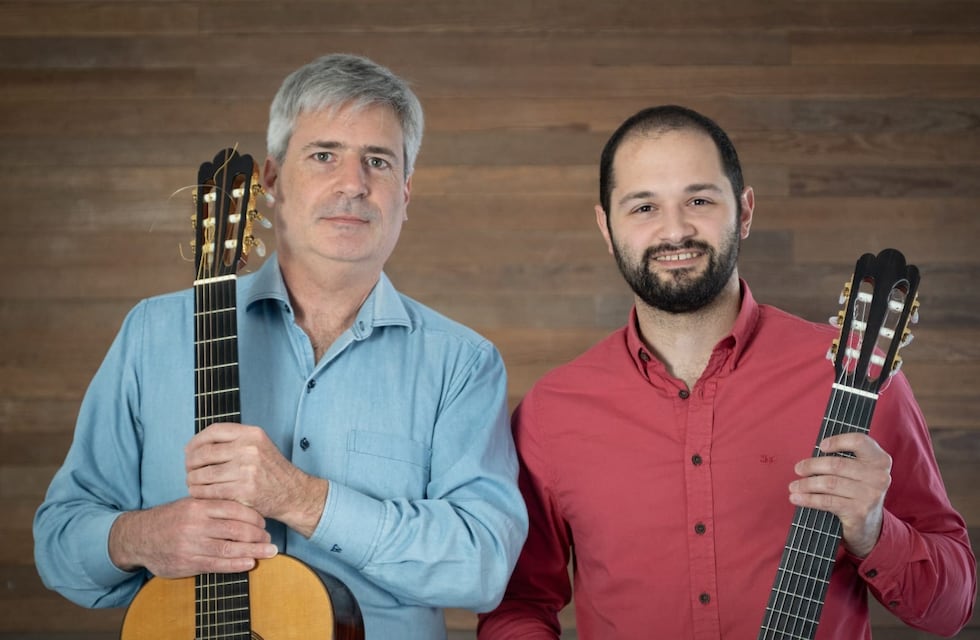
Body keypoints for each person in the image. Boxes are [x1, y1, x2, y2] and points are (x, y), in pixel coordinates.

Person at [34, 53, 528, 639]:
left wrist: (303, 500)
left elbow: (482, 565)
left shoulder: (462, 364)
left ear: (406, 193)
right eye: (324, 155)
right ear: (270, 180)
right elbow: (59, 543)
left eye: (379, 161)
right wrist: (139, 538)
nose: (353, 184)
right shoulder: (154, 334)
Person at [477, 105, 975, 639]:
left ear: (745, 210)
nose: (675, 230)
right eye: (644, 206)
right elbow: (516, 605)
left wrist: (874, 531)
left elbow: (951, 609)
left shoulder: (856, 379)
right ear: (607, 226)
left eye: (699, 200)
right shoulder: (553, 413)